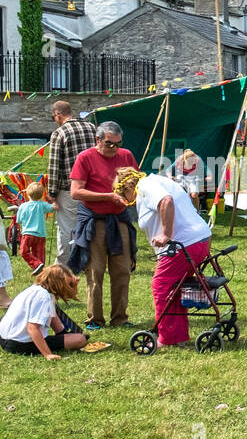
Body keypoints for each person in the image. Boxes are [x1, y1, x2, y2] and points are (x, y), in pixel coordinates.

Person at [116, 167, 211, 348]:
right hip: (200, 239)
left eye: (124, 196)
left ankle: (166, 338)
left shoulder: (145, 187)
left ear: (128, 188)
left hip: (184, 243)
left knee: (161, 285)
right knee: (173, 288)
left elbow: (166, 201)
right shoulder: (158, 180)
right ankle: (178, 336)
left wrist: (166, 234)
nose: (127, 201)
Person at [68, 120, 138, 331]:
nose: (114, 148)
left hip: (119, 220)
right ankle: (95, 320)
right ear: (97, 140)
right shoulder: (85, 158)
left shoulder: (126, 156)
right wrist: (108, 196)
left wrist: (130, 191)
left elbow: (135, 183)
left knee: (122, 271)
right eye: (109, 143)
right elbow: (75, 192)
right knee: (95, 272)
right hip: (95, 220)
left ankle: (120, 318)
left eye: (117, 143)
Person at [47, 100, 97, 266]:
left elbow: (54, 166)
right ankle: (87, 260)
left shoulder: (59, 133)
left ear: (58, 115)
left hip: (69, 189)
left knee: (67, 229)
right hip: (92, 189)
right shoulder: (92, 128)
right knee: (89, 225)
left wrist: (52, 194)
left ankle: (63, 264)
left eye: (54, 117)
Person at [0, 264, 88, 359]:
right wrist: (48, 354)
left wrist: (62, 333)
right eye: (69, 283)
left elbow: (51, 313)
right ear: (59, 284)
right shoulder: (43, 297)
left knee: (52, 308)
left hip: (5, 337)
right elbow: (32, 328)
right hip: (17, 344)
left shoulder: (38, 290)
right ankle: (52, 345)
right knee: (80, 339)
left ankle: (61, 332)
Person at [16, 182, 57, 272]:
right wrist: (51, 200)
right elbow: (55, 207)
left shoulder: (23, 206)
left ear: (27, 193)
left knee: (24, 252)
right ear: (41, 194)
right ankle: (41, 272)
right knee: (39, 254)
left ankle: (36, 264)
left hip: (28, 234)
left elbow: (18, 220)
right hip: (41, 235)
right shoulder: (42, 205)